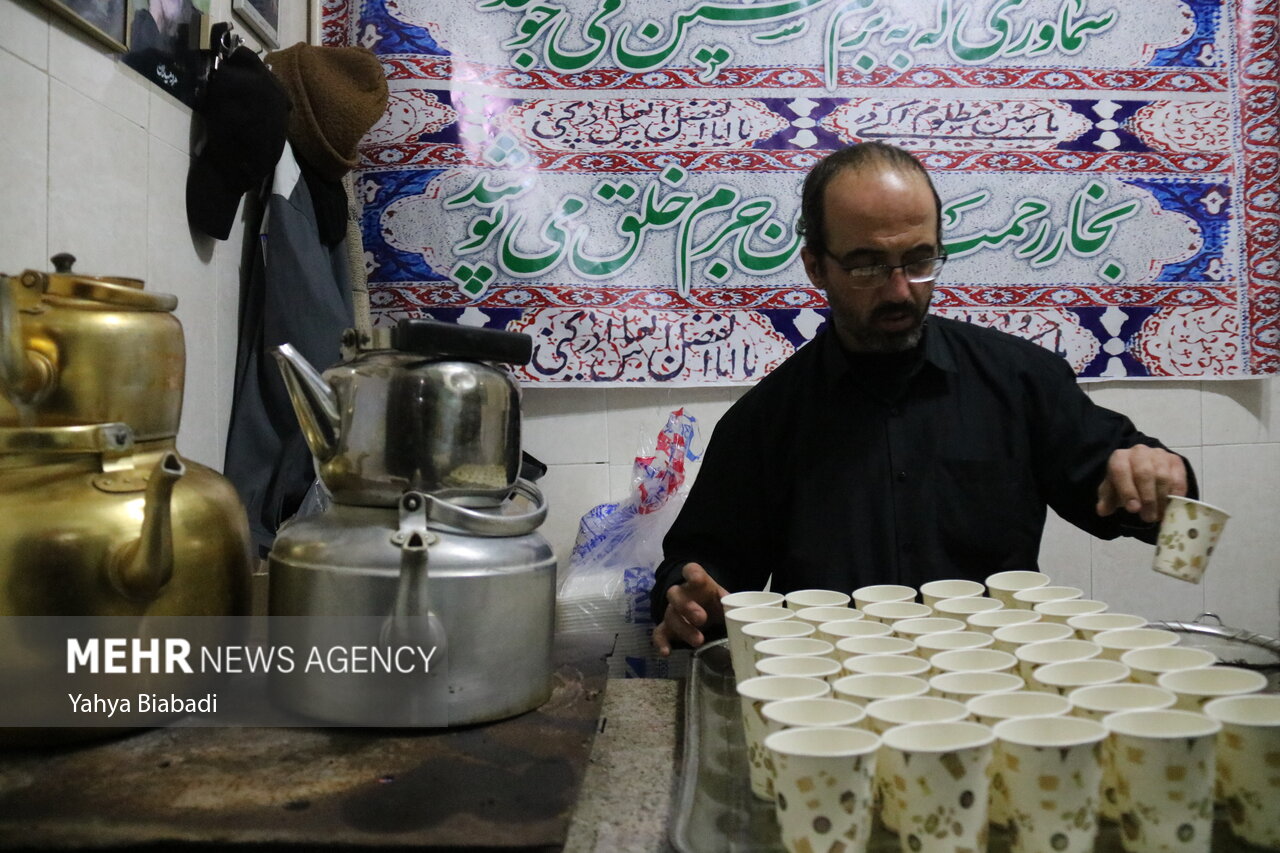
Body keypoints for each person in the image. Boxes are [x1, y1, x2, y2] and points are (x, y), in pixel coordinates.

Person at [651, 141, 1193, 656]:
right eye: (866, 265)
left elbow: (1179, 534)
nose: (899, 290)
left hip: (999, 694)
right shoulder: (764, 422)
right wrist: (687, 602)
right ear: (816, 266)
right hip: (826, 705)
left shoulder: (1019, 381)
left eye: (918, 259)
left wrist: (1162, 484)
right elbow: (701, 574)